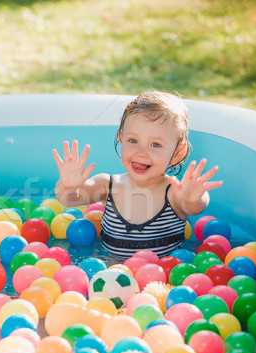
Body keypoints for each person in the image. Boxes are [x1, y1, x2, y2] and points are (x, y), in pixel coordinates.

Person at [53, 90, 222, 260]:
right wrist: (68, 185)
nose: (141, 153)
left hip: (160, 282)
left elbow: (194, 206)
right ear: (121, 138)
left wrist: (193, 197)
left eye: (155, 144)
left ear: (178, 152)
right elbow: (68, 199)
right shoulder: (107, 185)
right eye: (133, 141)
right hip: (112, 276)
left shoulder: (173, 193)